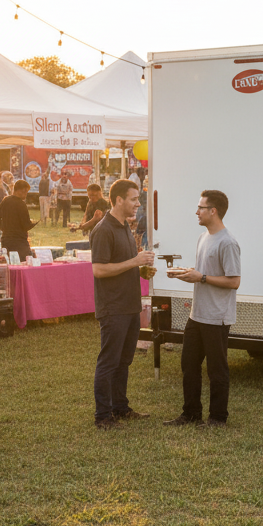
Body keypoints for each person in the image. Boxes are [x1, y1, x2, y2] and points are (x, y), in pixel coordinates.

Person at [165, 190, 241, 427]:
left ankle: (218, 418)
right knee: (188, 365)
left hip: (216, 317)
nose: (196, 212)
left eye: (200, 207)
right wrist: (185, 274)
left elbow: (234, 281)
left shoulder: (228, 243)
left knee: (217, 370)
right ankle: (191, 413)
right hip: (196, 315)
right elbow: (203, 273)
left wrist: (202, 278)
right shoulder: (203, 237)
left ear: (213, 211)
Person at [89, 179, 156, 429]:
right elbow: (99, 270)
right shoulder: (103, 229)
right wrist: (134, 262)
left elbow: (124, 262)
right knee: (109, 362)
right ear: (118, 200)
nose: (138, 203)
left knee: (124, 361)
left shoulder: (125, 227)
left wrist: (141, 271)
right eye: (134, 199)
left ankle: (120, 407)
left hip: (130, 305)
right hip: (113, 307)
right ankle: (103, 416)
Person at [0, 179, 37, 261]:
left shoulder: (5, 200)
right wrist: (34, 223)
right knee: (23, 263)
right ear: (18, 190)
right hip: (19, 241)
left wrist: (3, 227)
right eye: (24, 191)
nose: (25, 194)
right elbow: (26, 225)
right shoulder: (21, 204)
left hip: (6, 240)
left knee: (9, 264)